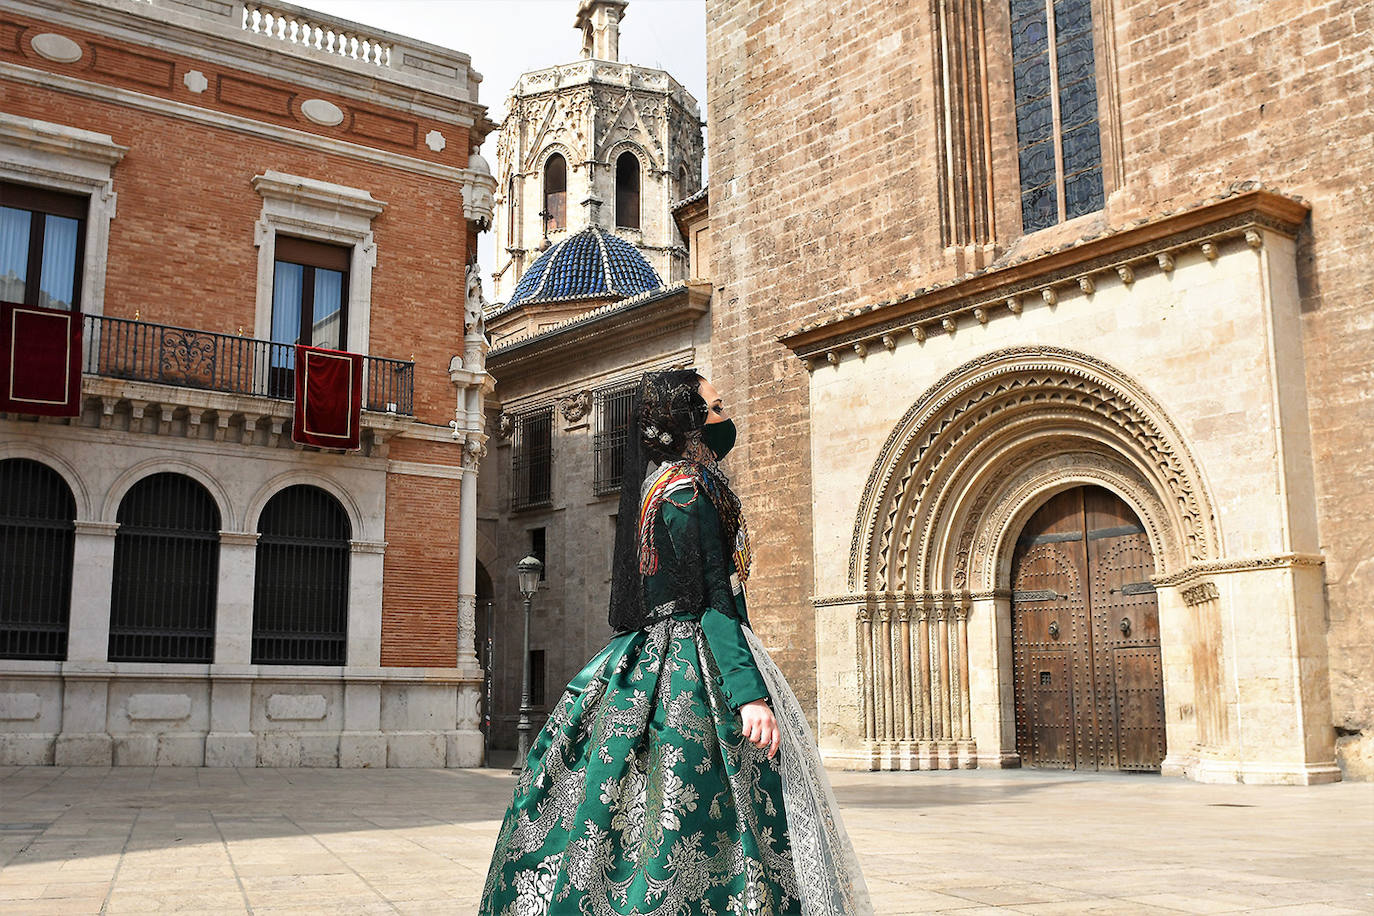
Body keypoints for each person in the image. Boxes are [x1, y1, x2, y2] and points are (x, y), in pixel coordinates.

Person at [479, 368, 871, 916]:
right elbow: (708, 596)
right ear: (688, 422)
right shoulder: (688, 492)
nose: (724, 417)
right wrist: (747, 692)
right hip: (695, 659)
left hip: (661, 653)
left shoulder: (667, 484)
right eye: (715, 408)